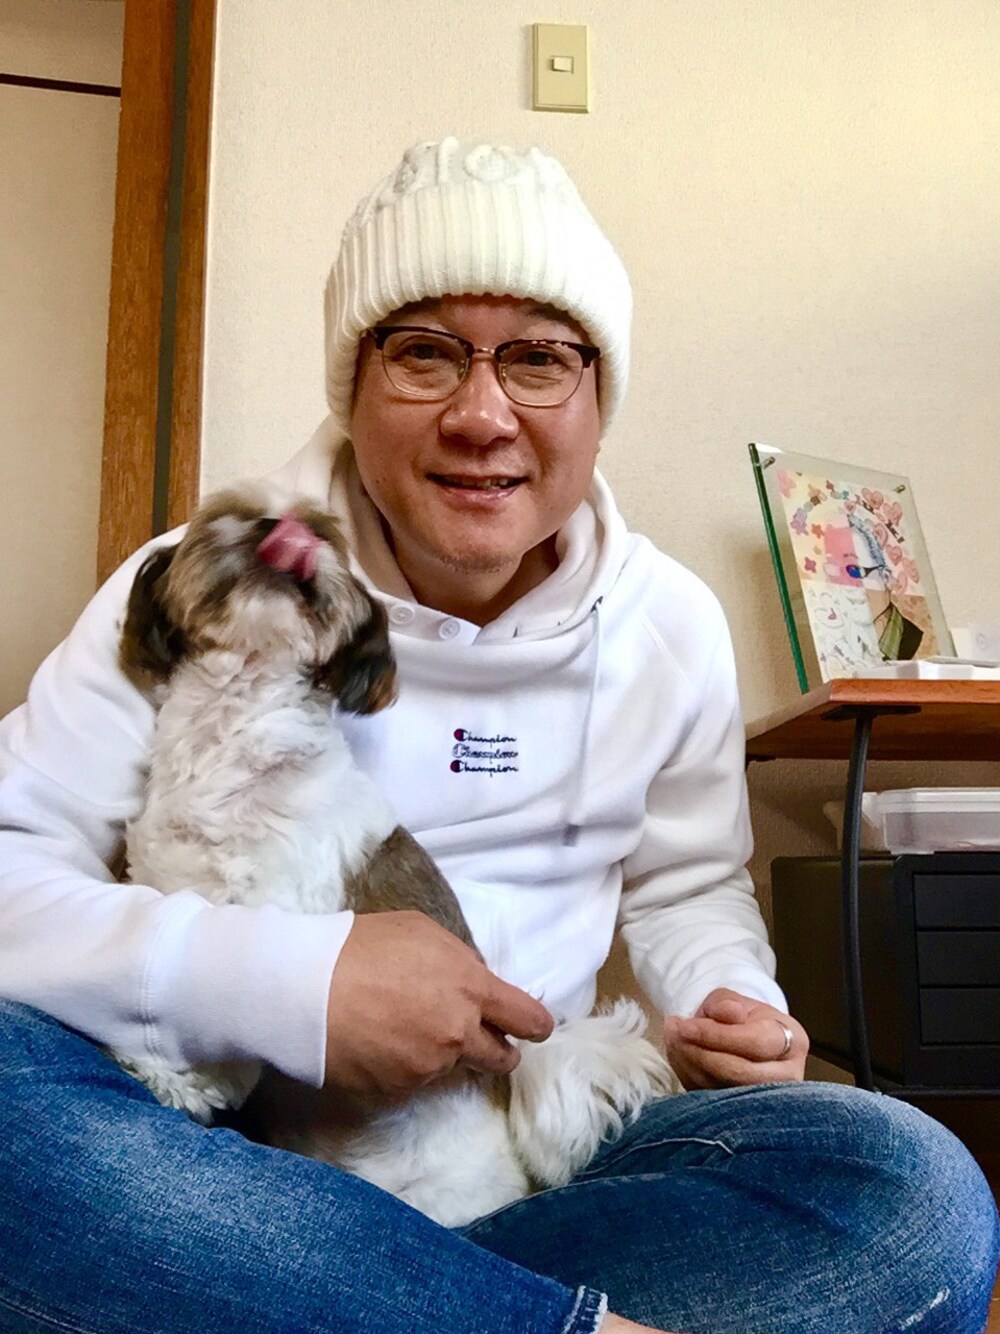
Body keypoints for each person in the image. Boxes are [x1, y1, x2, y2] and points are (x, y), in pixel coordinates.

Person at [0, 137, 995, 1334]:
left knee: (916, 1195)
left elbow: (686, 886)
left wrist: (731, 995)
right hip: (217, 1154)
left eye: (538, 358)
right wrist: (290, 987)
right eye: (425, 351)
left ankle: (355, 1304)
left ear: (596, 396)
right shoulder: (197, 582)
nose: (481, 415)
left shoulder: (668, 622)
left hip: (527, 1164)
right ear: (353, 384)